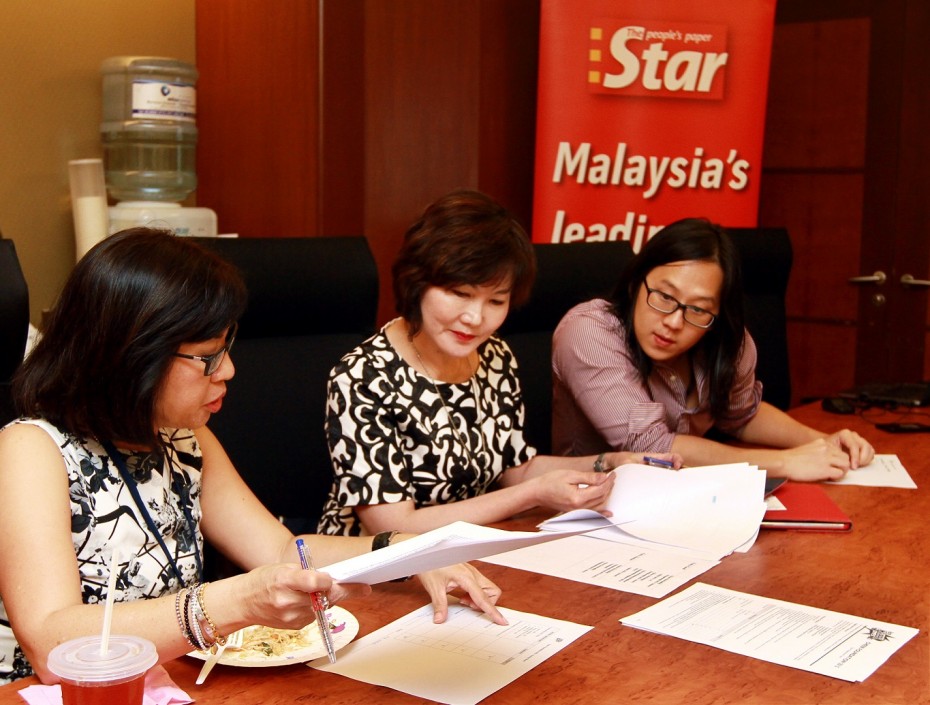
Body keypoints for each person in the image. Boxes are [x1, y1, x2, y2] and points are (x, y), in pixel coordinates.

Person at [0, 228, 505, 686]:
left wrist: (409, 552)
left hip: (165, 683)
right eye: (208, 356)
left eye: (228, 347)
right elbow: (51, 642)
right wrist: (238, 600)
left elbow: (284, 554)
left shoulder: (179, 437)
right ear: (133, 354)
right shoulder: (31, 449)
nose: (229, 371)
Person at [317, 190, 676, 537]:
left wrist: (609, 464)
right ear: (418, 282)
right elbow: (393, 526)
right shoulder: (363, 377)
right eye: (460, 294)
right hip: (371, 570)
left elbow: (515, 470)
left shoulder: (494, 355)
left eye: (496, 301)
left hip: (471, 547)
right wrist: (532, 494)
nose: (475, 318)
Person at [551, 217, 875, 481]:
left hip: (687, 499)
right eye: (664, 297)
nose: (674, 322)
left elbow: (742, 415)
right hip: (588, 510)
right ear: (637, 282)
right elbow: (653, 447)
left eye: (698, 309)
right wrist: (784, 463)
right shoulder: (589, 331)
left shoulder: (727, 342)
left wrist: (820, 442)